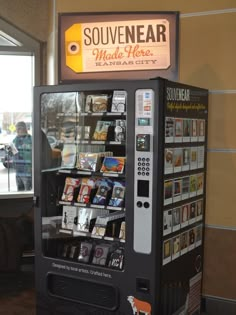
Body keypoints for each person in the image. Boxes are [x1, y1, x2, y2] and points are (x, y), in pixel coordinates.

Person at [12, 121, 32, 191]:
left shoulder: (31, 140)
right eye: (17, 129)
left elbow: (31, 154)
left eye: (19, 128)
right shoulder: (15, 140)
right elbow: (13, 153)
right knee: (19, 191)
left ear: (24, 129)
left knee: (27, 191)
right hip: (18, 170)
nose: (17, 130)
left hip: (27, 170)